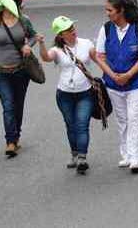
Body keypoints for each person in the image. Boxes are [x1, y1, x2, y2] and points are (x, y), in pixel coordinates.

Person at [94, 0, 138, 173]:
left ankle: (136, 158)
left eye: (110, 10)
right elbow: (100, 56)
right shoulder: (106, 29)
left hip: (137, 82)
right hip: (113, 84)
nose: (107, 13)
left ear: (121, 11)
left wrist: (128, 75)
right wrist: (113, 75)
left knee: (134, 117)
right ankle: (126, 154)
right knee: (122, 120)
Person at [37, 16, 96, 173]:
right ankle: (74, 154)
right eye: (68, 30)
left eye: (73, 28)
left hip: (85, 92)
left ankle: (82, 158)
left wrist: (113, 74)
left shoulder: (86, 43)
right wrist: (41, 43)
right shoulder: (57, 50)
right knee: (71, 125)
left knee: (82, 124)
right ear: (61, 35)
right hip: (65, 95)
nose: (73, 31)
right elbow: (46, 58)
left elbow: (99, 58)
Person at [0, 0, 38, 157]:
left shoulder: (23, 20)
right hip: (1, 72)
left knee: (18, 105)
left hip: (21, 70)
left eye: (14, 0)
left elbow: (33, 36)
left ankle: (16, 135)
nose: (12, 3)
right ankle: (10, 141)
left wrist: (28, 45)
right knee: (8, 106)